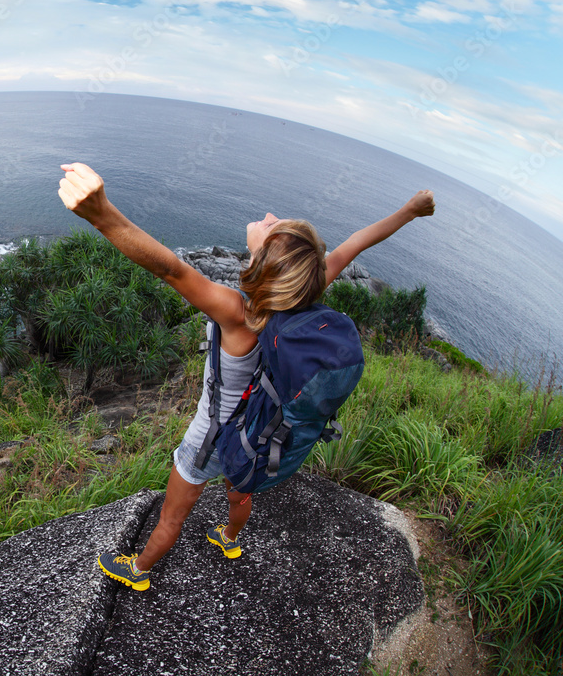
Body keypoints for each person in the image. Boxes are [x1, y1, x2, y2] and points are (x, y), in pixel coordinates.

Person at [57, 161, 435, 591]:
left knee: (173, 515)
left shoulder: (239, 313)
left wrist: (101, 213)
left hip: (210, 436)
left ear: (262, 259)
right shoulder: (303, 294)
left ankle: (138, 570)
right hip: (256, 433)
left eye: (273, 226)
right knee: (240, 491)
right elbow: (354, 245)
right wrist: (409, 211)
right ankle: (229, 538)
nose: (269, 216)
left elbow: (171, 270)